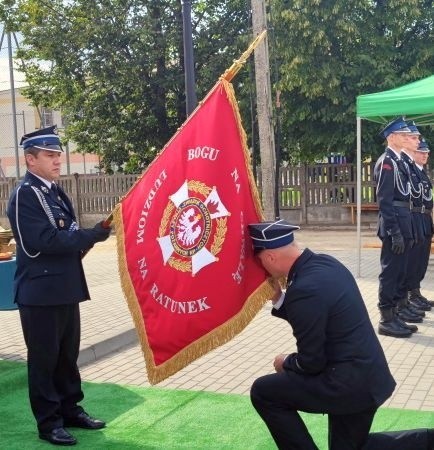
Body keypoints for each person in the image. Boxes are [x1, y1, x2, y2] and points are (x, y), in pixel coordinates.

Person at [247, 219, 434, 450]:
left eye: (260, 261)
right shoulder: (325, 263)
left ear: (270, 257)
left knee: (264, 391)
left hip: (347, 385)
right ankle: (427, 440)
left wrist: (286, 361)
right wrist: (279, 298)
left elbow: (311, 363)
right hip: (369, 377)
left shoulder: (303, 288)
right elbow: (314, 314)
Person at [7, 126, 112, 446]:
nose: (57, 162)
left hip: (65, 288)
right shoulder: (26, 194)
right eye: (50, 156)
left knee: (66, 356)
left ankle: (70, 410)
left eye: (58, 155)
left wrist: (89, 238)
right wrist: (92, 235)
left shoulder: (54, 191)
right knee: (44, 360)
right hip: (40, 294)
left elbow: (70, 237)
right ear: (30, 159)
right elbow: (42, 242)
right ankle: (49, 422)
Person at [374, 117, 420, 338]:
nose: (407, 138)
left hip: (404, 221)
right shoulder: (387, 162)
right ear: (391, 137)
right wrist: (394, 231)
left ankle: (395, 313)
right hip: (395, 225)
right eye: (403, 135)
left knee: (400, 270)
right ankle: (386, 319)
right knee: (390, 272)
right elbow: (385, 200)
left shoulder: (399, 161)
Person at [407, 137, 434, 309]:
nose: (425, 156)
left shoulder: (423, 173)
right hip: (414, 218)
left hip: (425, 218)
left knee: (422, 259)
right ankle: (410, 295)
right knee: (413, 259)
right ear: (413, 153)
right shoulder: (409, 171)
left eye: (427, 153)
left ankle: (416, 292)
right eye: (421, 152)